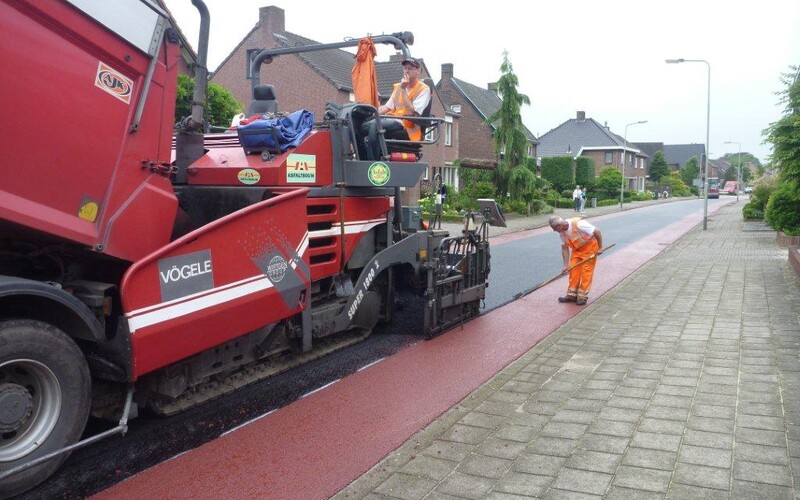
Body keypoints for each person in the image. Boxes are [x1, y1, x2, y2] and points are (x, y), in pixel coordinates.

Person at [359, 58, 431, 160]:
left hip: (407, 125)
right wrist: (370, 112)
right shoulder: (399, 87)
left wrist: (403, 89)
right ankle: (362, 158)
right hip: (392, 120)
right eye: (405, 68)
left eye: (410, 68)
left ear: (418, 72)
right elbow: (387, 107)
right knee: (359, 126)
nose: (406, 71)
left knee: (375, 126)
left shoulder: (423, 89)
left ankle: (372, 162)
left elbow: (412, 111)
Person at [549, 215, 604, 306]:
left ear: (559, 225)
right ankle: (572, 295)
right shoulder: (562, 233)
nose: (554, 231)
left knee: (586, 271)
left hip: (590, 249)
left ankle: (582, 296)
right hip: (577, 251)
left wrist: (600, 247)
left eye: (554, 228)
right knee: (573, 270)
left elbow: (597, 231)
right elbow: (565, 248)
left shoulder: (579, 224)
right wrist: (565, 265)